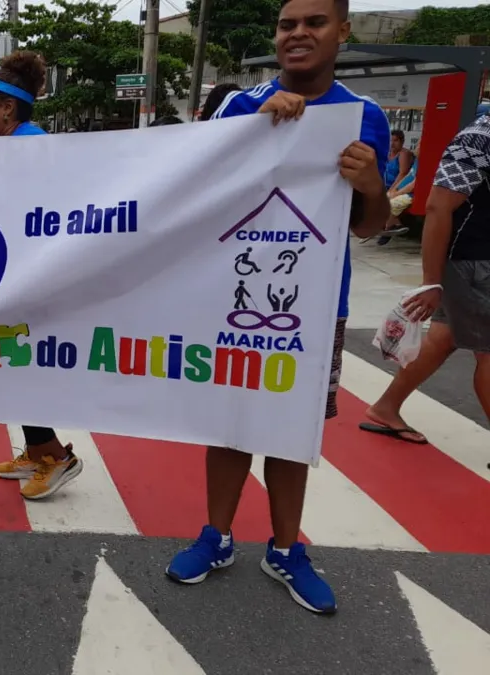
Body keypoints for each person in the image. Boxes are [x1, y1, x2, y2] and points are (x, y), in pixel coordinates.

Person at [165, 0, 391, 615]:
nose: (298, 34)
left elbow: (371, 228)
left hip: (316, 306)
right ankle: (216, 537)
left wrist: (370, 186)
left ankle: (286, 549)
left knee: (293, 430)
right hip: (232, 298)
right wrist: (250, 136)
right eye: (288, 24)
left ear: (342, 31)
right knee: (230, 422)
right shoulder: (239, 106)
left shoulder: (365, 117)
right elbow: (194, 196)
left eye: (314, 23)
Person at [0, 51, 82, 500]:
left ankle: (55, 456)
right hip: (8, 279)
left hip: (24, 283)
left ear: (7, 108)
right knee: (7, 363)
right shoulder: (12, 146)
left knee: (17, 365)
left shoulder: (28, 148)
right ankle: (37, 450)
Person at [360, 113, 490, 445]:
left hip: (474, 263)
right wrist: (431, 281)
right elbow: (437, 206)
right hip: (473, 262)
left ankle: (386, 407)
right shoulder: (480, 136)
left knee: (443, 339)